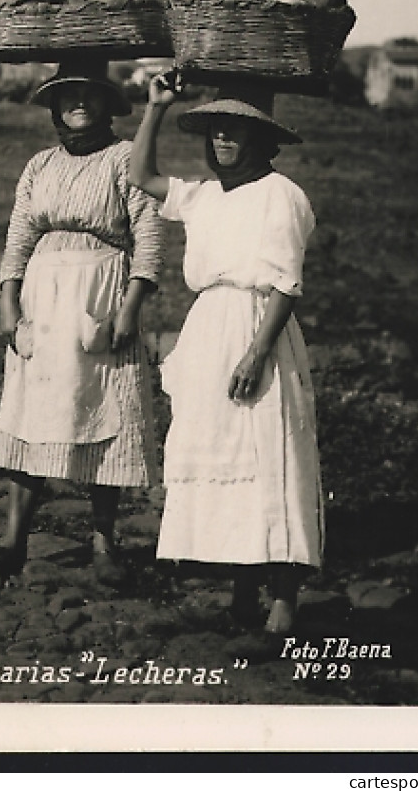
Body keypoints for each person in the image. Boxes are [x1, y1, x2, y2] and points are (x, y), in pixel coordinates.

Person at [129, 74, 323, 636]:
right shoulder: (203, 196)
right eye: (215, 131)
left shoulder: (282, 195)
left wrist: (256, 352)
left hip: (258, 327)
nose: (222, 141)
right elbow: (141, 176)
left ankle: (283, 606)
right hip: (209, 331)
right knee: (223, 457)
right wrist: (156, 106)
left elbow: (286, 283)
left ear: (264, 140)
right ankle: (243, 594)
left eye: (235, 132)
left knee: (271, 458)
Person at [0, 54, 165, 589]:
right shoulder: (40, 165)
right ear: (54, 105)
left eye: (90, 94)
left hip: (100, 297)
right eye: (67, 94)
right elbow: (18, 238)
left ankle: (104, 543)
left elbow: (148, 239)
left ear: (107, 103)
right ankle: (14, 538)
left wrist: (129, 308)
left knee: (105, 417)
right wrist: (9, 305)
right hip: (43, 301)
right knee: (33, 413)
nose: (78, 103)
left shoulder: (127, 159)